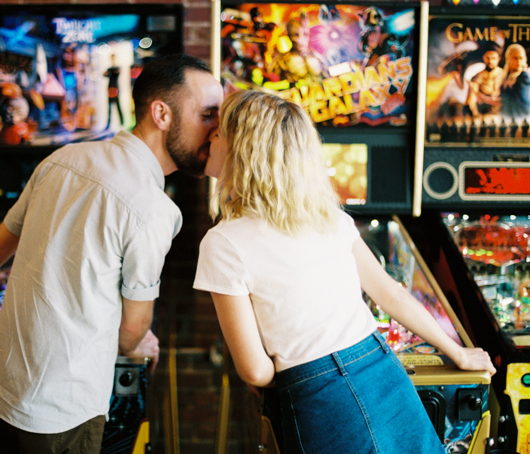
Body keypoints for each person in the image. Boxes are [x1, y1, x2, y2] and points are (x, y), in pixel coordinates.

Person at [0, 53, 224, 454]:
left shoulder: (64, 158)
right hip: (61, 414)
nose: (216, 131)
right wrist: (139, 337)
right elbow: (130, 335)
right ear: (162, 114)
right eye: (209, 114)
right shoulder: (156, 211)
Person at [194, 90, 496, 453]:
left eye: (220, 131)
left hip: (319, 397)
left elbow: (256, 372)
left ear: (244, 151)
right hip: (382, 369)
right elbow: (392, 293)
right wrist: (457, 351)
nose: (210, 136)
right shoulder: (328, 218)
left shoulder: (223, 242)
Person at [500, 43, 530, 123]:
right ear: (508, 59)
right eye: (515, 58)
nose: (519, 61)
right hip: (506, 118)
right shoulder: (505, 76)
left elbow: (521, 101)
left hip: (520, 118)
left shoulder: (523, 76)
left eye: (521, 58)